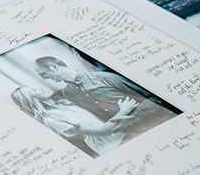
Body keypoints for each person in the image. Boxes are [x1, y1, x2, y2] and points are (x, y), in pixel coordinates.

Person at [34, 53, 178, 136]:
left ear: (54, 66)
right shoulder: (68, 93)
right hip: (128, 133)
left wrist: (130, 118)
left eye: (43, 74)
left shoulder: (105, 78)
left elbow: (153, 99)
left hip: (159, 123)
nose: (44, 78)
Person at [11, 85, 139, 156]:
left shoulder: (63, 104)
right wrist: (123, 110)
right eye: (34, 90)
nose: (39, 89)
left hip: (122, 134)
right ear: (31, 99)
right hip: (111, 147)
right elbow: (102, 131)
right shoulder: (51, 119)